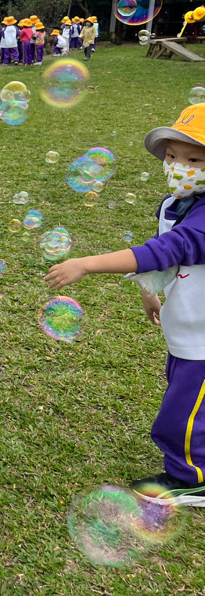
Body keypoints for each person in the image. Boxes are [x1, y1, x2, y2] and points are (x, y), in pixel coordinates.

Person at [46, 103, 205, 506]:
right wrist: (150, 290)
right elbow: (167, 259)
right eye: (172, 156)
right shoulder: (177, 203)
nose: (178, 167)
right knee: (190, 399)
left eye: (194, 160)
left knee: (182, 413)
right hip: (188, 326)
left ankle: (192, 479)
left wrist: (86, 264)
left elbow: (168, 249)